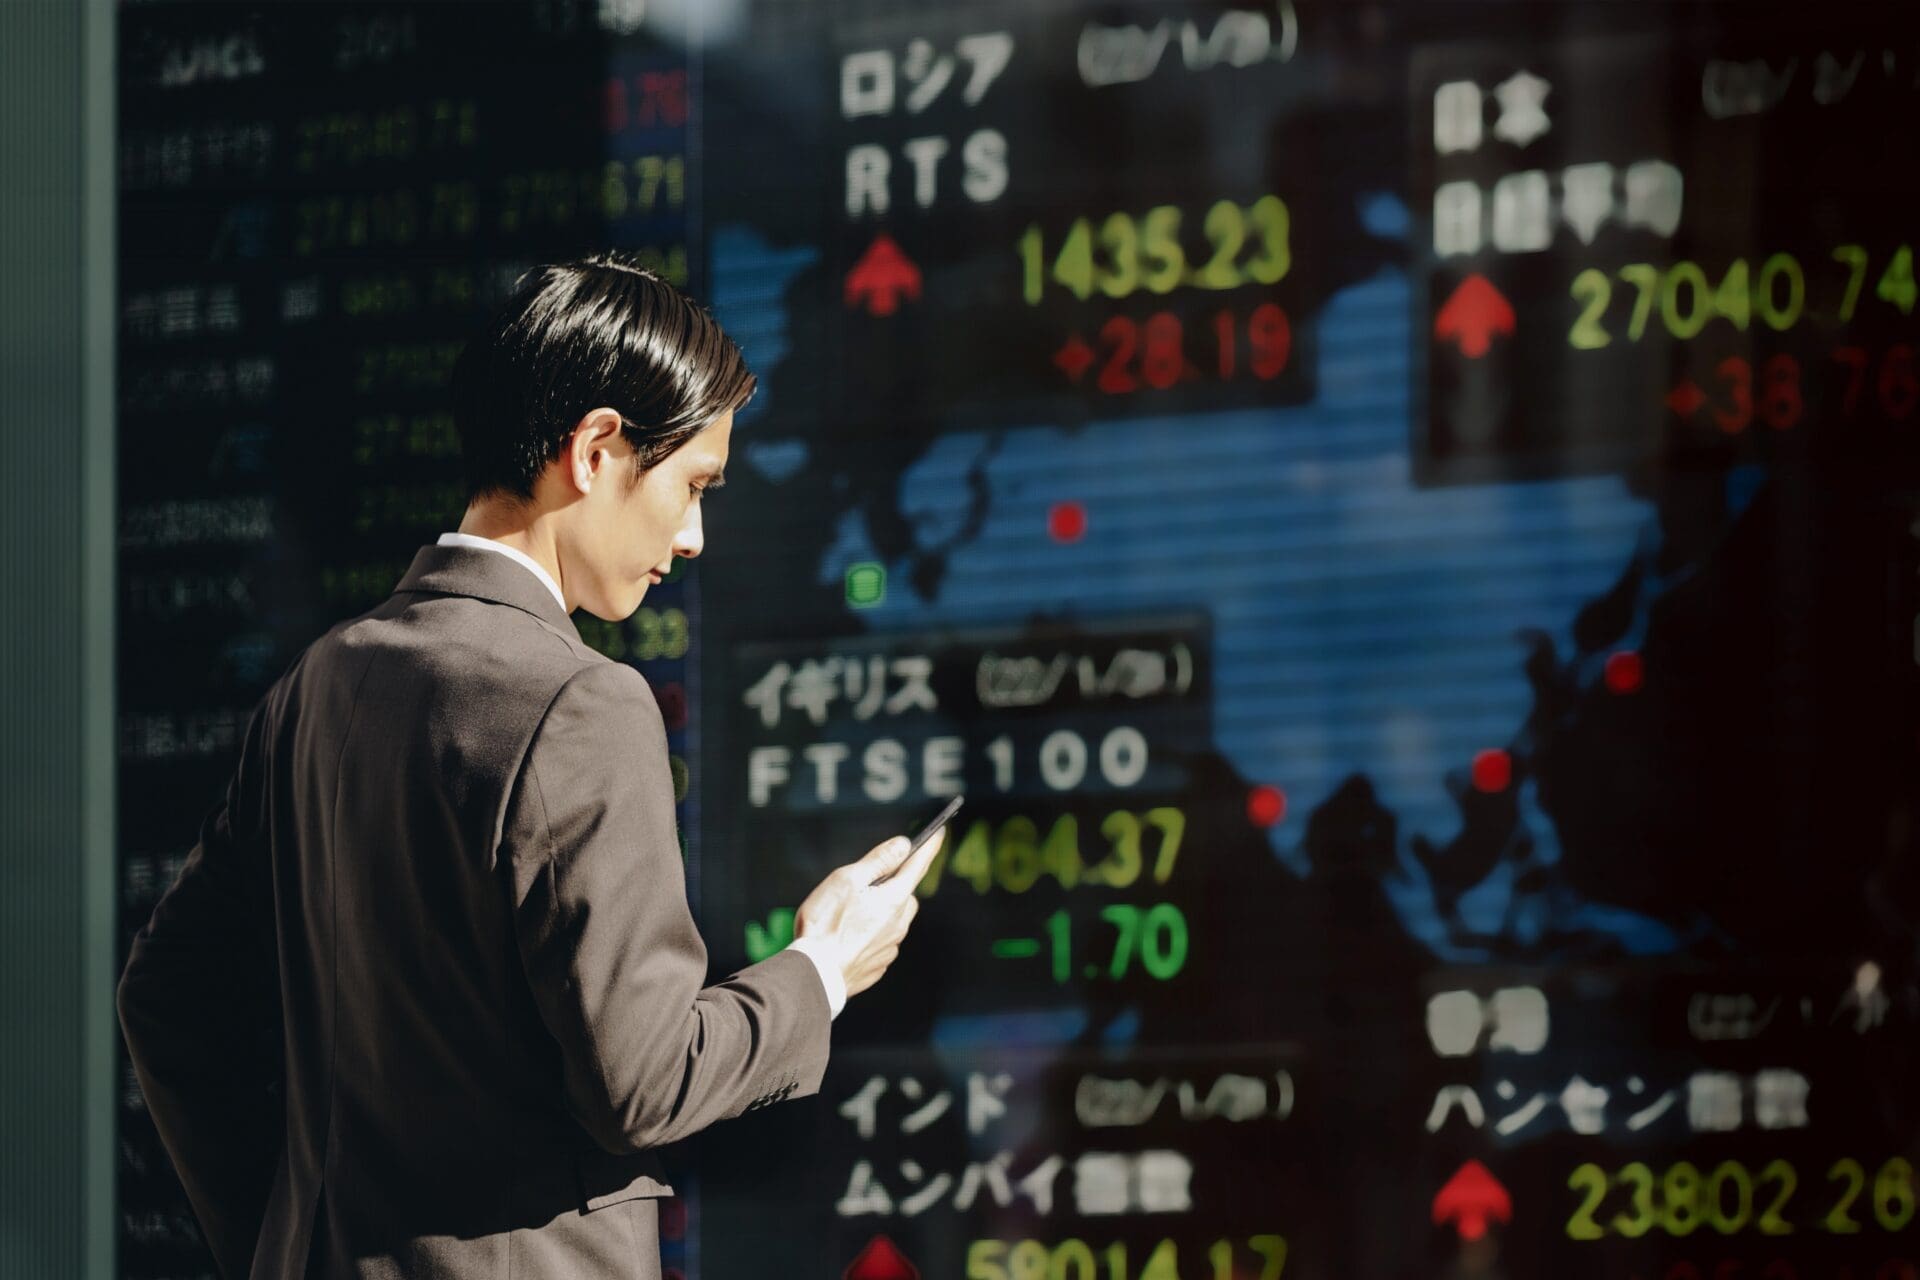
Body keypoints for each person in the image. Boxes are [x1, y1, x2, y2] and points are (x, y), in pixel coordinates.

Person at [115, 251, 944, 1280]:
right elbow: (643, 1082)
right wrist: (820, 969)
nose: (694, 536)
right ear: (595, 449)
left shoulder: (315, 684)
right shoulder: (582, 705)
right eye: (691, 485)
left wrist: (281, 1240)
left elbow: (165, 995)